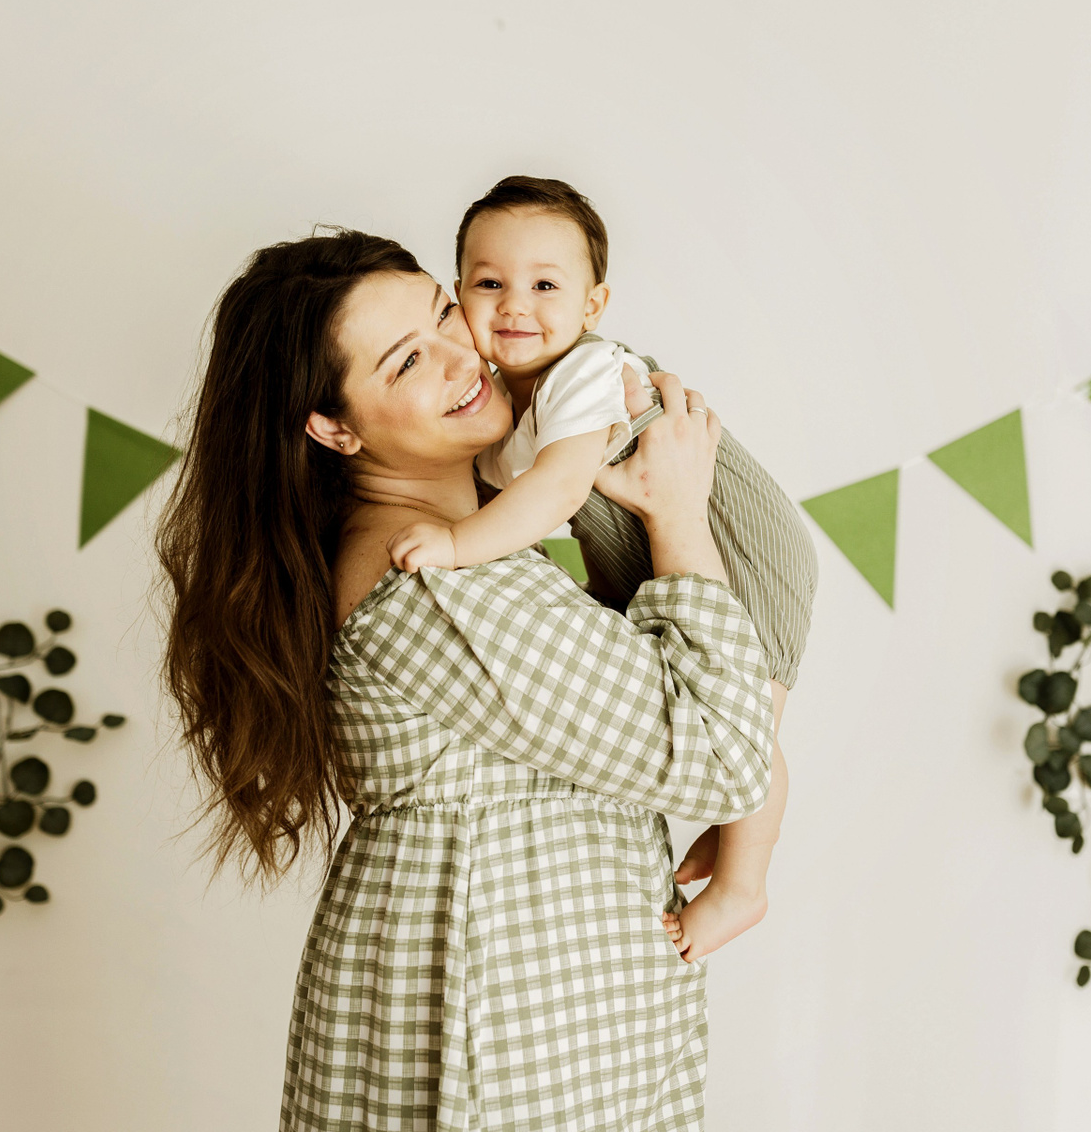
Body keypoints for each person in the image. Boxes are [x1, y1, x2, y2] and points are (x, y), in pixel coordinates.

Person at [157, 229, 776, 1130]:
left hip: (543, 1019)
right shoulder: (434, 584)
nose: (462, 358)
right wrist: (677, 509)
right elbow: (724, 756)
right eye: (408, 361)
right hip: (508, 1033)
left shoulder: (474, 542)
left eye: (446, 314)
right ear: (334, 428)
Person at [387, 176, 817, 961]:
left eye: (545, 286)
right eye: (490, 284)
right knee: (718, 715)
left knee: (750, 724)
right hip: (643, 551)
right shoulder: (498, 408)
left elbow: (557, 489)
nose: (516, 306)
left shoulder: (586, 374)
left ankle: (742, 886)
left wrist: (453, 546)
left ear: (593, 306)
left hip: (739, 540)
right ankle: (737, 831)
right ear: (459, 295)